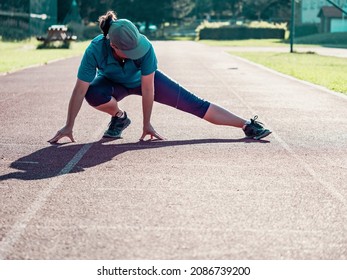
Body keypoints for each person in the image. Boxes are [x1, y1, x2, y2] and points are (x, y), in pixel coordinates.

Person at [48, 11, 271, 144]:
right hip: (112, 84)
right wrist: (69, 125)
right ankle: (119, 117)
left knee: (195, 104)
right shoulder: (95, 50)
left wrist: (147, 124)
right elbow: (79, 90)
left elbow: (148, 89)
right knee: (93, 93)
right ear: (113, 46)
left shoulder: (145, 48)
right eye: (130, 51)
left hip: (144, 81)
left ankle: (247, 125)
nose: (137, 52)